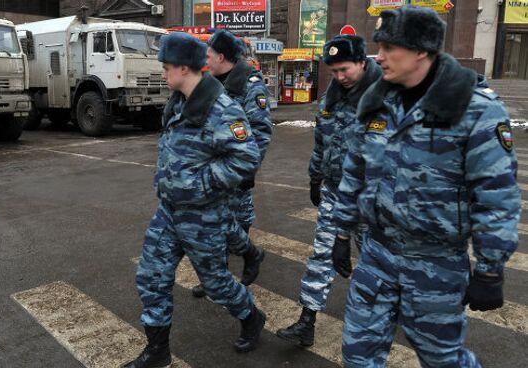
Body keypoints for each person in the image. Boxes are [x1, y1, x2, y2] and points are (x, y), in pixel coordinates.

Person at [331, 6, 520, 367]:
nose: (379, 56)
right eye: (379, 47)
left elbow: (496, 195)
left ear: (421, 50)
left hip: (436, 264)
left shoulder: (475, 109)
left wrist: (490, 267)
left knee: (443, 360)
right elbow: (354, 172)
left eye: (389, 48)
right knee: (357, 356)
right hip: (377, 254)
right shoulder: (377, 102)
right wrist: (342, 233)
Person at [125, 33, 266, 368]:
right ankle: (158, 351)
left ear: (185, 68)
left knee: (216, 284)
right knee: (151, 276)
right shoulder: (179, 101)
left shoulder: (222, 108)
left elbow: (246, 159)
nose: (163, 74)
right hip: (170, 211)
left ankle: (251, 316)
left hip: (203, 214)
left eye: (166, 67)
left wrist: (200, 184)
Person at [276, 34, 382, 348]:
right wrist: (314, 178)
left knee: (376, 262)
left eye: (345, 69)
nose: (339, 77)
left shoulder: (384, 99)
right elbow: (322, 143)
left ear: (363, 62)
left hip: (369, 199)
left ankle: (387, 313)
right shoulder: (331, 98)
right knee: (322, 255)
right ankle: (307, 320)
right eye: (333, 71)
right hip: (335, 192)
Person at [189, 29, 273, 298]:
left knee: (237, 220)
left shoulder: (250, 85)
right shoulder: (211, 82)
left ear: (222, 56)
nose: (206, 59)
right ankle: (217, 276)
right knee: (212, 222)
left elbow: (260, 131)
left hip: (236, 169)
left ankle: (248, 260)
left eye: (209, 54)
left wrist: (248, 169)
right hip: (212, 170)